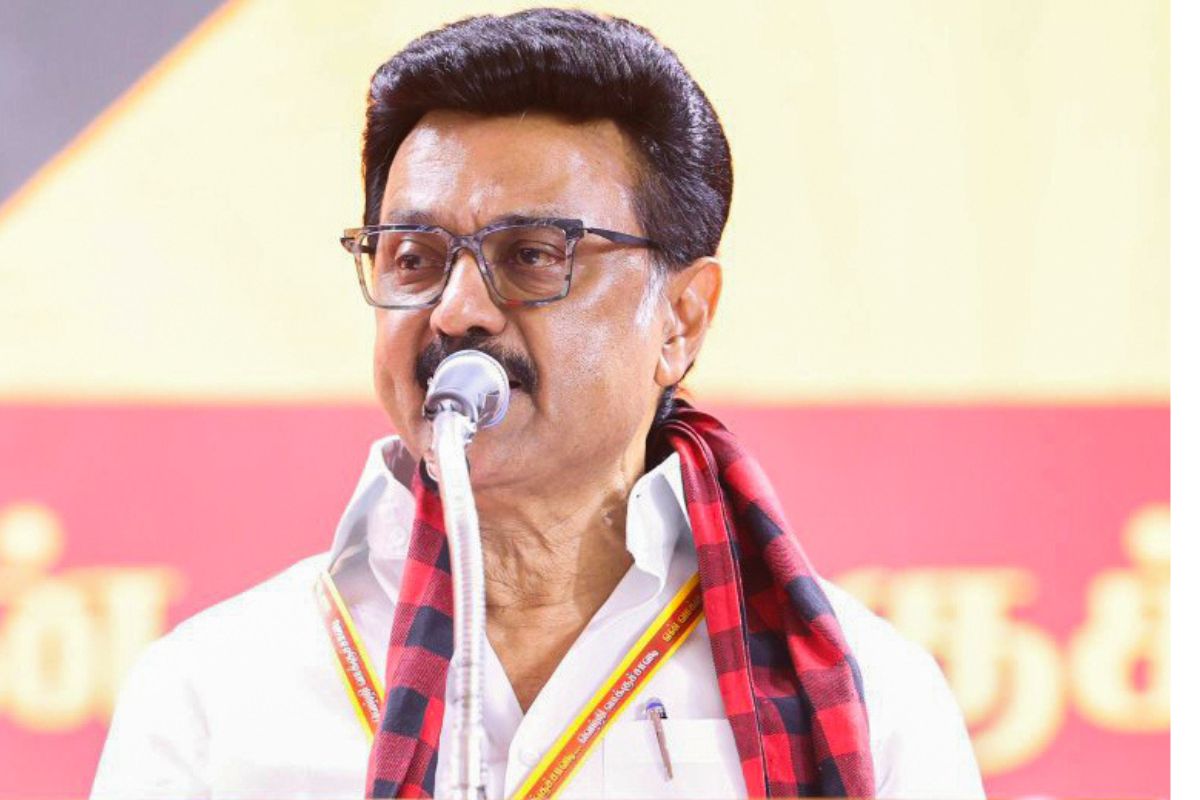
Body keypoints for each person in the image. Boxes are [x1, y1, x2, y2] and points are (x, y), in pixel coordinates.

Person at [92, 9, 984, 799]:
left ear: (681, 320)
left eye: (532, 255)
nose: (457, 311)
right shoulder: (212, 689)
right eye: (414, 258)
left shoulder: (868, 694)